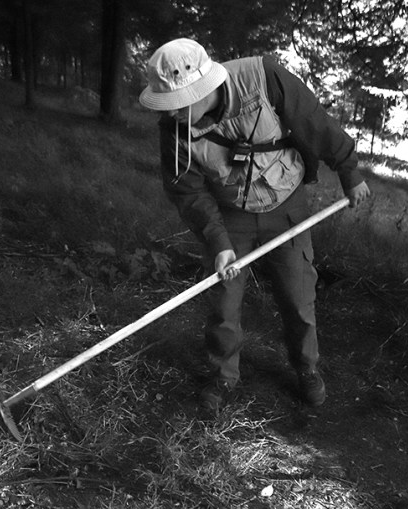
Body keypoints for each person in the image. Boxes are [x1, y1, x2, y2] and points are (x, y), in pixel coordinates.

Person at [139, 38, 370, 414]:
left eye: (176, 105)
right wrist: (218, 242)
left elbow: (314, 122)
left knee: (299, 297)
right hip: (230, 217)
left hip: (287, 205)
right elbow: (188, 193)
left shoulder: (264, 77)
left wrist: (349, 171)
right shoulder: (174, 130)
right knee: (224, 301)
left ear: (200, 90)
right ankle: (223, 376)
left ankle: (307, 368)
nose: (170, 115)